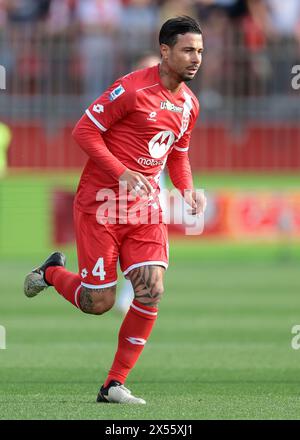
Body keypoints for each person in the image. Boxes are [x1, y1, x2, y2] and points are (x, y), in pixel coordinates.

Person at [24, 16, 206, 404]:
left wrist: (188, 190)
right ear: (165, 51)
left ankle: (113, 384)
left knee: (151, 290)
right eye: (188, 50)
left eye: (200, 51)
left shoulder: (189, 104)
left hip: (145, 211)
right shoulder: (131, 88)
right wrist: (120, 172)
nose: (196, 59)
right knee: (99, 303)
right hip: (100, 206)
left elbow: (178, 154)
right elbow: (83, 131)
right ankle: (52, 272)